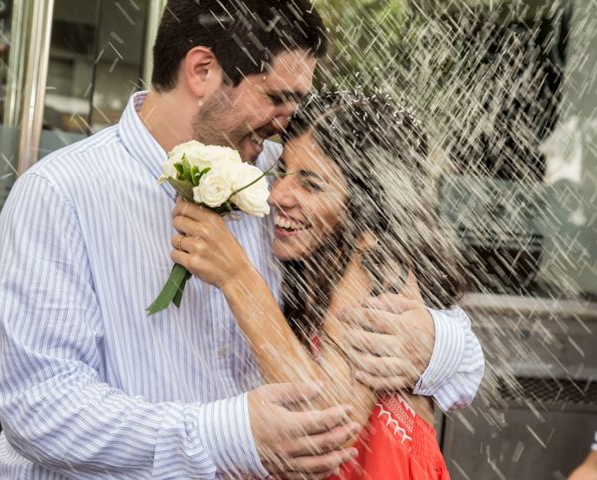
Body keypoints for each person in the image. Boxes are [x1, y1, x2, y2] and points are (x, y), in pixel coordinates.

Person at [0, 1, 483, 478]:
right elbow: (41, 407)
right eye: (274, 97)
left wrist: (434, 345)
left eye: (296, 101)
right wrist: (225, 433)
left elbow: (454, 350)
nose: (286, 120)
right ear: (202, 70)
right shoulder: (61, 195)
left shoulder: (281, 181)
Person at [172, 92, 471, 478]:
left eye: (311, 184)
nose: (279, 195)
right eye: (282, 172)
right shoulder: (318, 265)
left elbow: (323, 425)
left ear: (366, 202)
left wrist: (237, 278)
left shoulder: (379, 262)